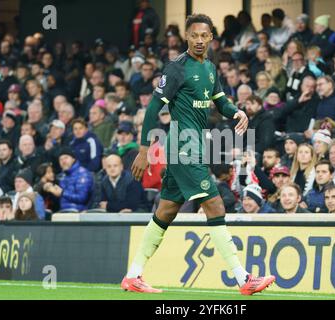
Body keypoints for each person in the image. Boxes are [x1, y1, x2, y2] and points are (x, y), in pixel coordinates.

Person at [123, 14, 274, 295]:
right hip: (183, 147)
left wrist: (237, 111)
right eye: (195, 35)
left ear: (211, 38)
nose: (200, 40)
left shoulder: (210, 68)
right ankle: (243, 280)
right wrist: (144, 149)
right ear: (187, 38)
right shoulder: (176, 68)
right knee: (215, 206)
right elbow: (154, 108)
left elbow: (220, 101)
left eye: (205, 35)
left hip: (195, 146)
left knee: (166, 210)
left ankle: (133, 275)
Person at [44, 147, 94, 212]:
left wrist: (62, 193)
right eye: (61, 159)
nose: (63, 161)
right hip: (63, 212)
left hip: (79, 213)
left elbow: (82, 198)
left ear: (73, 159)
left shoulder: (83, 174)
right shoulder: (62, 176)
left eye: (66, 158)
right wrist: (50, 189)